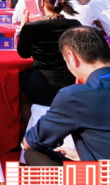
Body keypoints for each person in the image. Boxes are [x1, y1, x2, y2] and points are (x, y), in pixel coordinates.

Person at [22, 27, 110, 165]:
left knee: (32, 153)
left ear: (72, 57)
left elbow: (33, 141)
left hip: (101, 175)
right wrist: (82, 155)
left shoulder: (75, 96)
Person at [17, 0, 81, 111]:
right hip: (70, 82)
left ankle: (32, 123)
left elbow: (23, 53)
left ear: (41, 3)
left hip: (41, 83)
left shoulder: (32, 27)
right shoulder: (75, 25)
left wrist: (23, 26)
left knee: (22, 94)